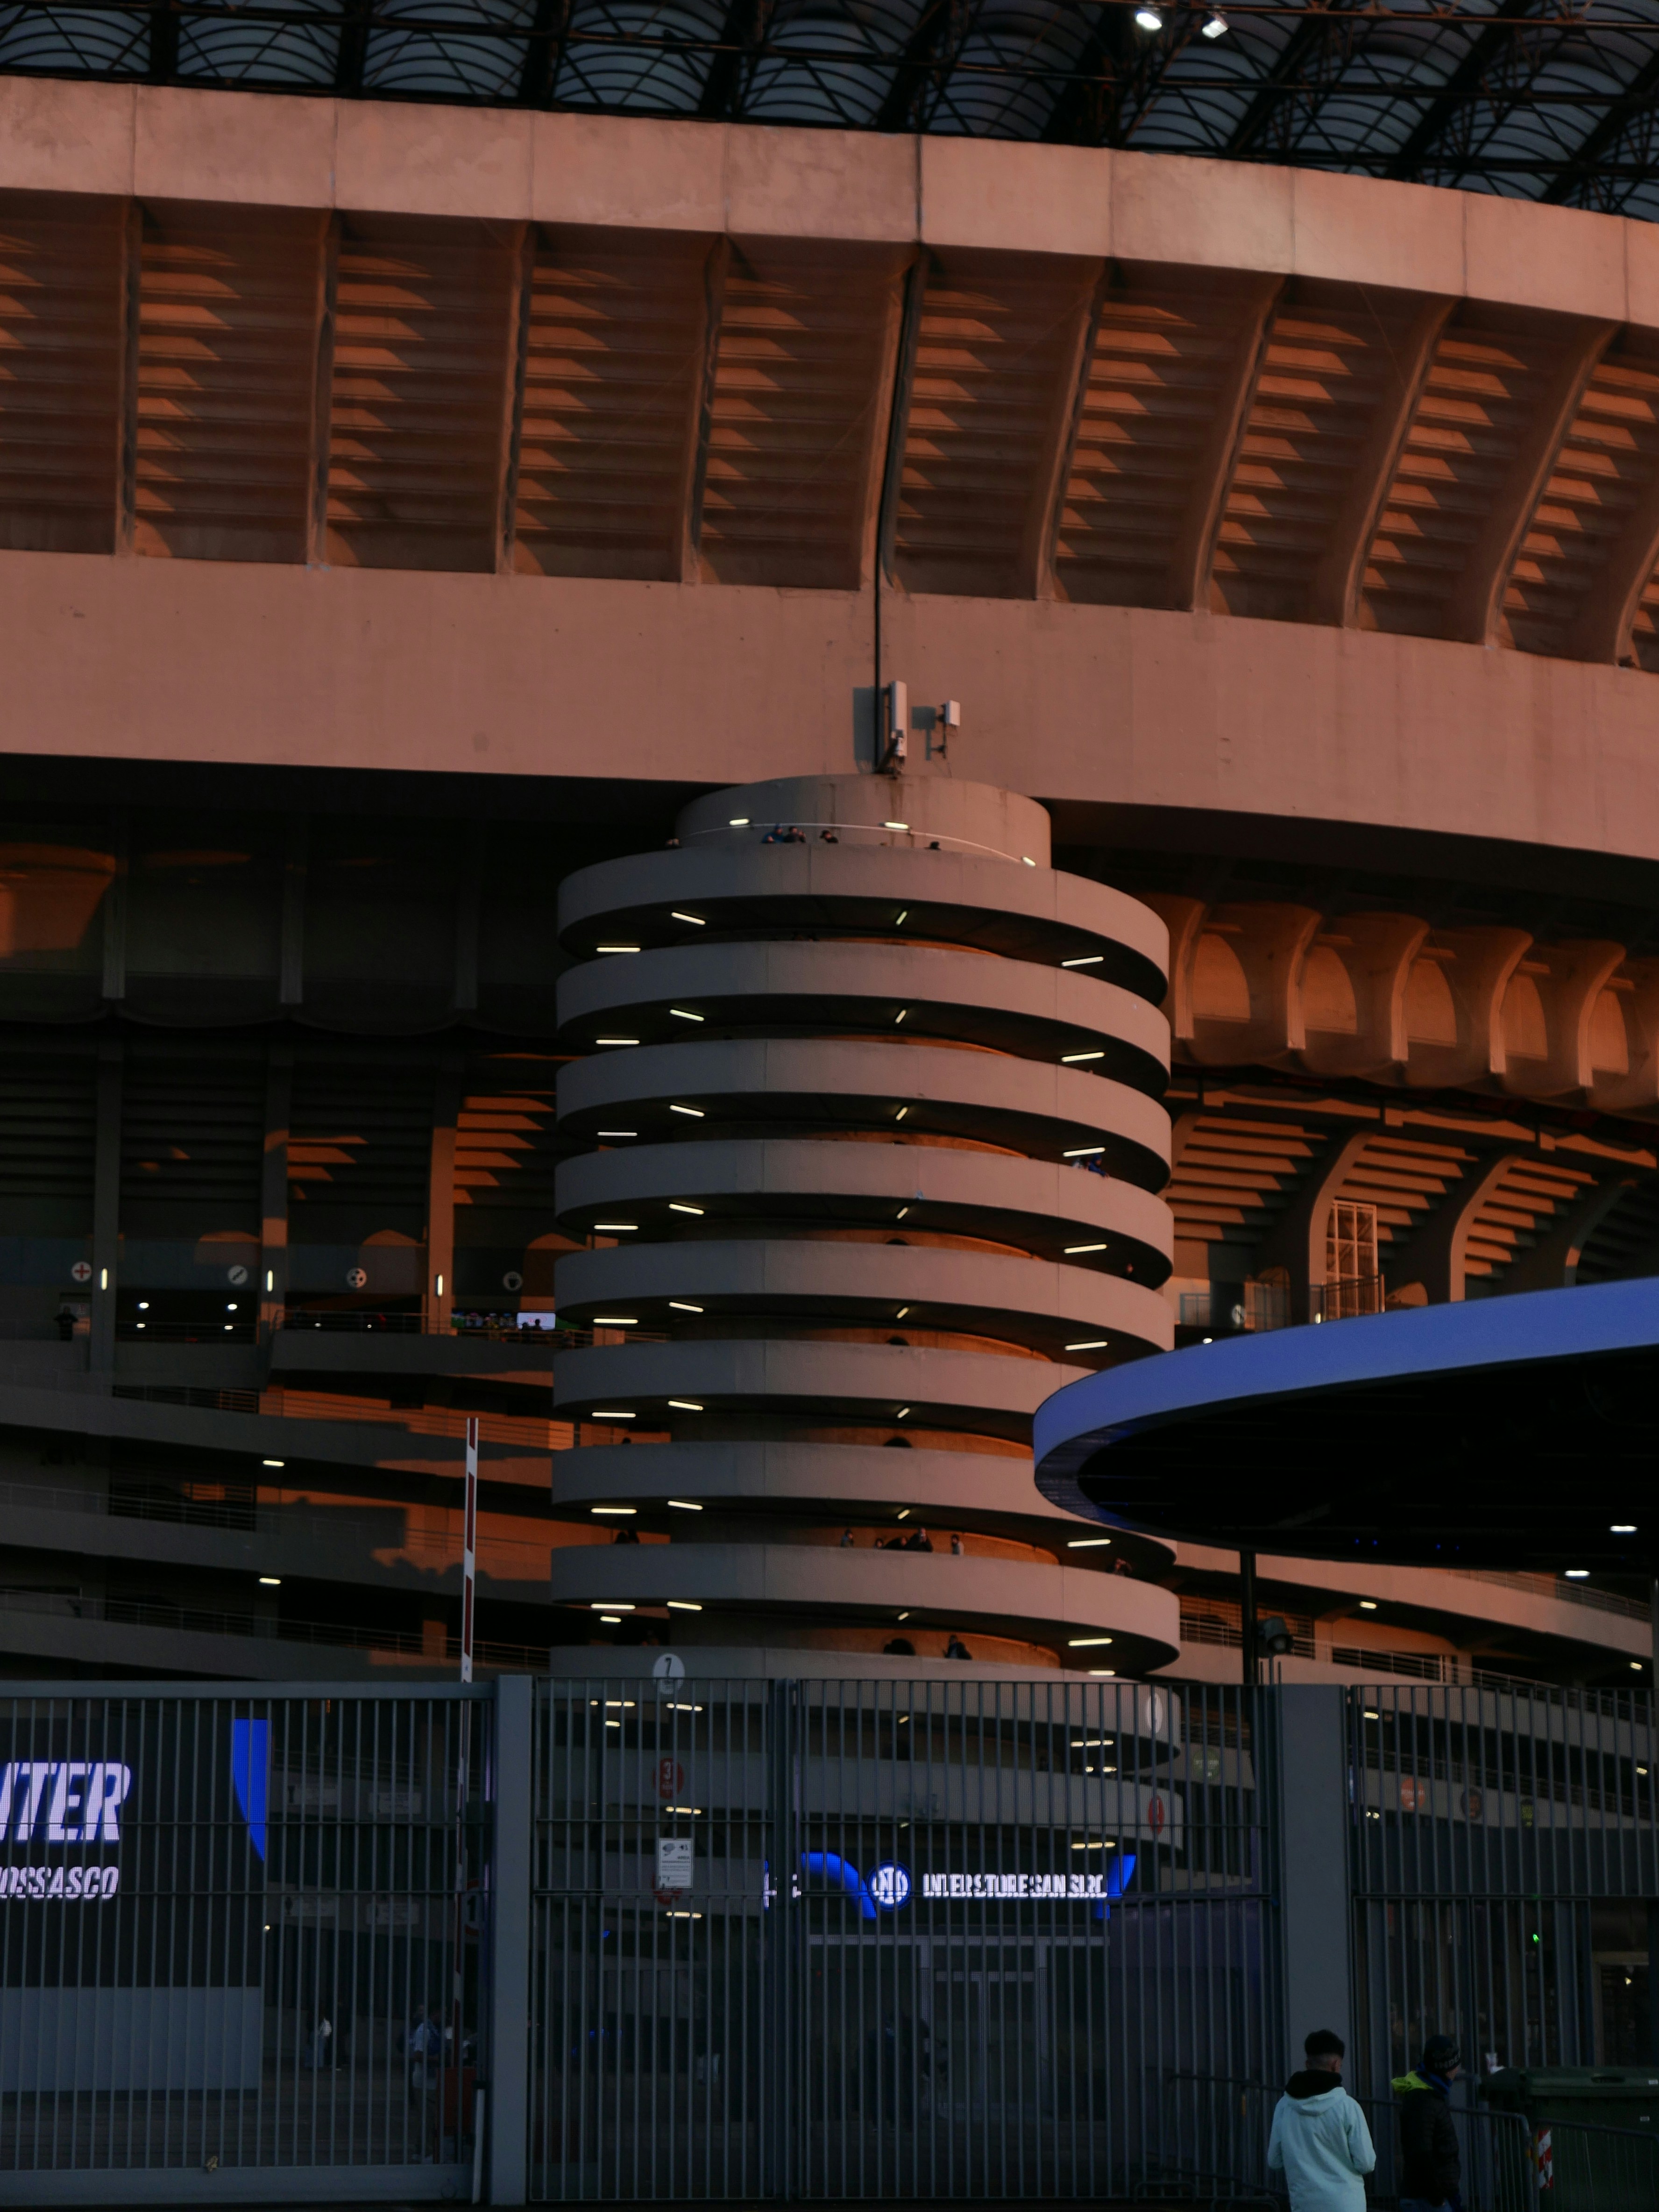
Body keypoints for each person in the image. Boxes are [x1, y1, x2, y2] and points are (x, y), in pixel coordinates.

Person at [1266, 2028, 1375, 2212]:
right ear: (1336, 2065)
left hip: (1305, 2204)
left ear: (1308, 2064)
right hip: (1347, 2204)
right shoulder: (1348, 2107)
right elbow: (1366, 2163)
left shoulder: (1284, 2106)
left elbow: (1274, 2161)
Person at [1393, 2035, 1463, 2212]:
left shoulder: (1429, 2094)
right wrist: (1438, 2199)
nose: (1458, 2069)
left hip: (1431, 2198)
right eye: (1456, 2063)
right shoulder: (1424, 2101)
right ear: (1446, 2068)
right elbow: (1420, 2154)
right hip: (1427, 2201)